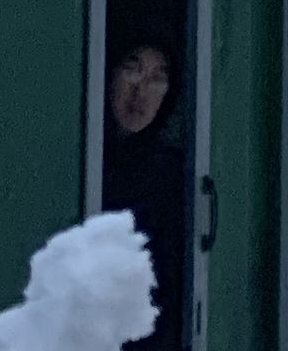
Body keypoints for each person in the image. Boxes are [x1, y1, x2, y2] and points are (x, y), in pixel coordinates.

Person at [101, 35, 192, 351]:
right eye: (132, 68)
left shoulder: (170, 177)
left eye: (158, 77)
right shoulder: (76, 157)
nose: (141, 90)